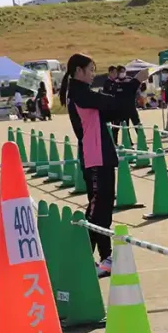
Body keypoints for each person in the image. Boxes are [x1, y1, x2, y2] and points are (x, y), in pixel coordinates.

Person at [61, 54, 120, 277]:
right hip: (94, 157)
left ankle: (101, 258)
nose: (93, 74)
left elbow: (111, 108)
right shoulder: (79, 94)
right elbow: (108, 102)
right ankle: (87, 258)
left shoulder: (83, 93)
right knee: (96, 211)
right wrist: (132, 84)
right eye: (90, 69)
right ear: (78, 71)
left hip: (102, 156)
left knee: (103, 209)